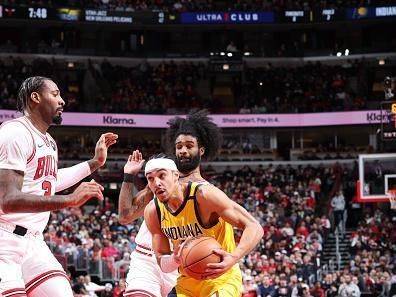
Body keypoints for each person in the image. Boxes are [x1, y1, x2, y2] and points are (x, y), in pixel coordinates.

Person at [0, 76, 118, 296]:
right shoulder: (14, 132)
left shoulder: (49, 141)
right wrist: (69, 200)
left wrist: (95, 163)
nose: (62, 100)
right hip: (4, 242)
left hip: (33, 242)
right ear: (35, 97)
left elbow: (49, 182)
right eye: (55, 94)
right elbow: (8, 200)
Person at [118, 110, 223, 297]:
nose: (182, 150)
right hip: (147, 259)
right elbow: (125, 216)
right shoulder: (162, 182)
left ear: (201, 149)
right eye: (179, 146)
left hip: (183, 265)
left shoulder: (209, 194)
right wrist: (128, 176)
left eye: (189, 145)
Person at [144, 155, 264, 296]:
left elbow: (254, 227)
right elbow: (161, 259)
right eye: (150, 179)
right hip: (187, 282)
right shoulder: (153, 211)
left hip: (221, 280)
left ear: (176, 175)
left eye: (162, 175)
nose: (156, 183)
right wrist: (174, 259)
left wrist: (234, 257)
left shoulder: (204, 195)